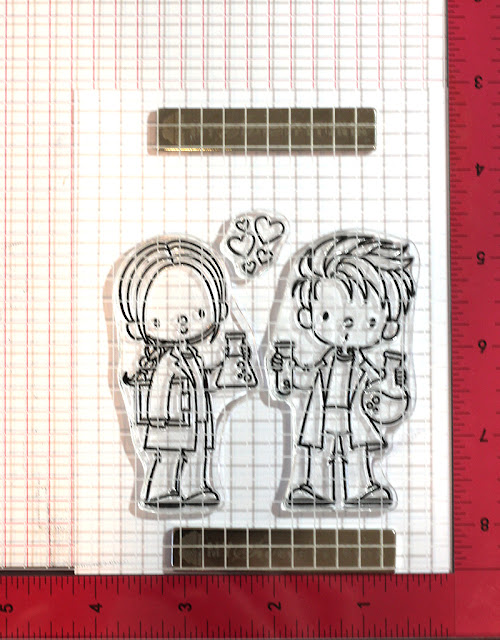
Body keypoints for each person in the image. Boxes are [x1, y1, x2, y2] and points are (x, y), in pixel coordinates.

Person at [270, 233, 416, 508]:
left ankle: (364, 487)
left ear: (388, 326)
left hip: (353, 418)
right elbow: (302, 379)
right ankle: (311, 487)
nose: (346, 324)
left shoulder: (368, 368)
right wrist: (285, 370)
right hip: (323, 417)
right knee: (318, 451)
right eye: (327, 315)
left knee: (357, 453)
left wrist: (394, 388)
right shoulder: (322, 363)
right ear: (306, 316)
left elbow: (386, 396)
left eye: (368, 320)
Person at [115, 237, 257, 509]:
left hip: (198, 420)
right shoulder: (165, 362)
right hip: (170, 422)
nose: (181, 324)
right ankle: (160, 490)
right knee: (169, 457)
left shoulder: (192, 357)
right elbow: (158, 390)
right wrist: (159, 420)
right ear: (139, 324)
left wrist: (228, 373)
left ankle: (196, 487)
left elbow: (204, 381)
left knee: (198, 455)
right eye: (159, 319)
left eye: (197, 313)